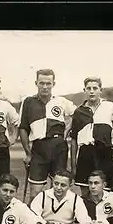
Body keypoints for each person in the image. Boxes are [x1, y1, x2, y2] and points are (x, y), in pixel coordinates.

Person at [18, 69, 77, 205]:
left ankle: (54, 220)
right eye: (41, 83)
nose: (45, 87)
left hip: (59, 147)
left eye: (48, 83)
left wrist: (68, 128)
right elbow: (23, 128)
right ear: (36, 83)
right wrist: (28, 153)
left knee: (58, 189)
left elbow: (78, 114)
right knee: (35, 192)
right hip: (39, 148)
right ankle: (33, 221)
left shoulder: (61, 101)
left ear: (53, 84)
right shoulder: (28, 102)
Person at [70, 77, 113, 197]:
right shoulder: (79, 112)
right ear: (84, 90)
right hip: (85, 154)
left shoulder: (110, 107)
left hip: (105, 153)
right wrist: (73, 166)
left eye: (95, 88)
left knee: (106, 192)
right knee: (85, 193)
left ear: (100, 90)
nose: (91, 91)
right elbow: (73, 139)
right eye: (88, 88)